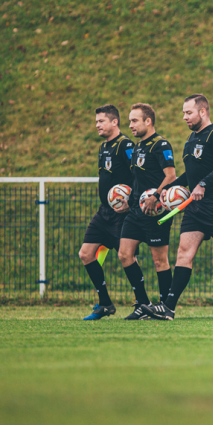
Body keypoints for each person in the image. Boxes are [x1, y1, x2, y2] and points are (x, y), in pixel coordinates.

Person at [144, 94, 213, 321]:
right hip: (195, 207)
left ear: (202, 112)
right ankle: (169, 308)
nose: (185, 117)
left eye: (189, 112)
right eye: (184, 113)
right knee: (184, 253)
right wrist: (165, 190)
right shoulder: (190, 140)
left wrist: (204, 184)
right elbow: (190, 175)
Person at [118, 103, 176, 320]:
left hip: (155, 211)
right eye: (130, 121)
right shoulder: (137, 147)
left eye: (135, 120)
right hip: (135, 210)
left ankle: (165, 306)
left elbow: (171, 176)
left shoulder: (161, 145)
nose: (130, 125)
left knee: (159, 260)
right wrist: (129, 200)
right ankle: (142, 304)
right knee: (125, 254)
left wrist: (156, 195)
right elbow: (138, 179)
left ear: (148, 121)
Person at [79, 105, 134, 320]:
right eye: (96, 122)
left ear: (114, 122)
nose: (97, 125)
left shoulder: (126, 145)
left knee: (127, 257)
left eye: (101, 121)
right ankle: (104, 303)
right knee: (85, 253)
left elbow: (137, 175)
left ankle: (142, 303)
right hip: (104, 213)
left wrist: (132, 200)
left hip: (123, 214)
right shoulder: (104, 147)